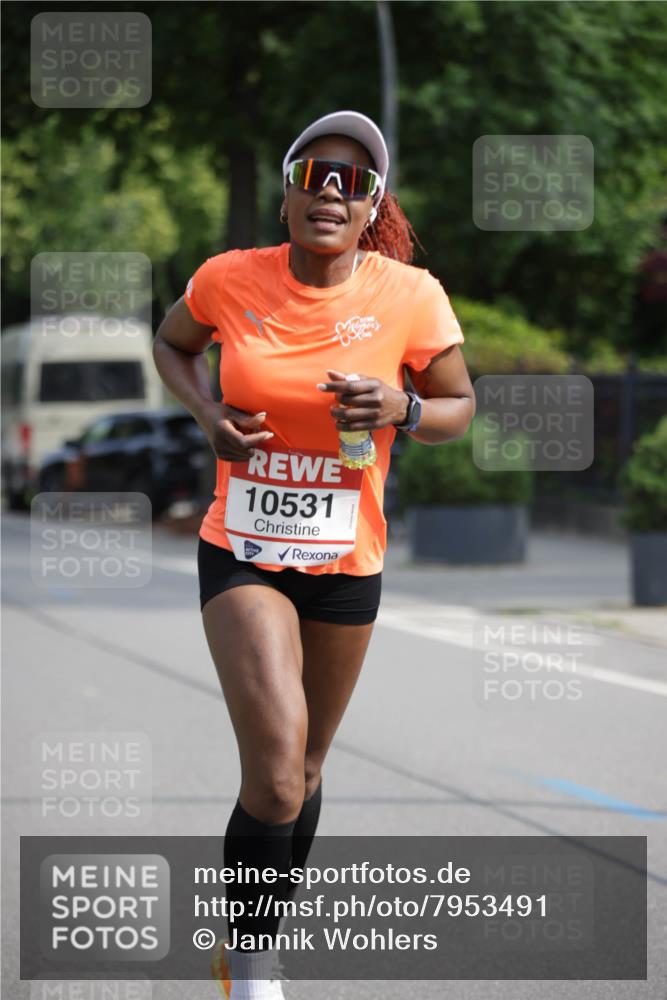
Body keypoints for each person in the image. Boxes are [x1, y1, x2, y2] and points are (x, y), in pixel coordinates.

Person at [153, 110, 475, 999]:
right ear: (288, 188)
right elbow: (174, 344)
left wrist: (402, 409)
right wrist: (207, 414)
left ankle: (252, 938)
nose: (331, 190)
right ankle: (252, 971)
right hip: (244, 550)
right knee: (275, 769)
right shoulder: (228, 279)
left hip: (346, 561)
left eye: (353, 179)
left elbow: (457, 408)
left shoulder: (409, 295)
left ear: (373, 204)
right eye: (314, 173)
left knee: (304, 772)